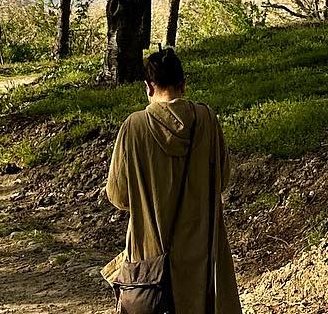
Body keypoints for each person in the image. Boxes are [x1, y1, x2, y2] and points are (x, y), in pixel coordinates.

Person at [104, 45, 242, 314]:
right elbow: (222, 180)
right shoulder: (206, 120)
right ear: (183, 84)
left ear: (148, 87)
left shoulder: (134, 126)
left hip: (151, 260)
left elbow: (118, 196)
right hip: (202, 258)